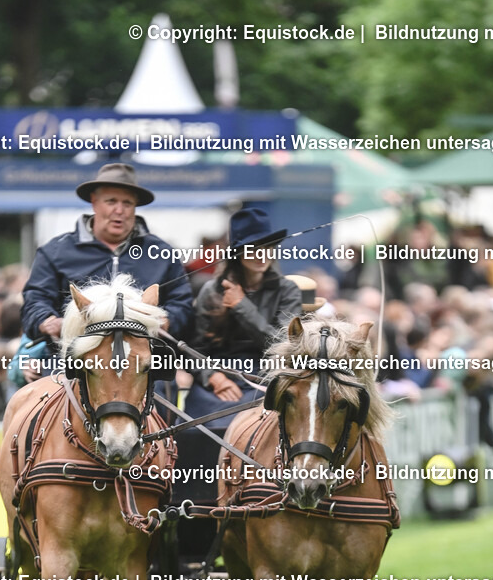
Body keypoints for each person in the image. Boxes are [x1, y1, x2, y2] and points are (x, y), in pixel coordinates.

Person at [20, 162, 193, 380]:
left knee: (162, 407)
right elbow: (34, 299)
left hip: (142, 365)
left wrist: (164, 321)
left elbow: (183, 304)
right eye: (111, 201)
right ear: (94, 202)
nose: (119, 210)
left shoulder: (162, 253)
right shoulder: (55, 251)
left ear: (135, 207)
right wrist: (46, 321)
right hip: (69, 362)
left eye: (127, 203)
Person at [184, 207, 302, 427]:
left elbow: (283, 346)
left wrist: (241, 306)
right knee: (196, 429)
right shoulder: (212, 290)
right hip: (217, 376)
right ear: (238, 253)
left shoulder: (287, 290)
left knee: (255, 427)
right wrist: (213, 377)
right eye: (254, 248)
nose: (262, 254)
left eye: (268, 247)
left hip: (265, 376)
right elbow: (193, 348)